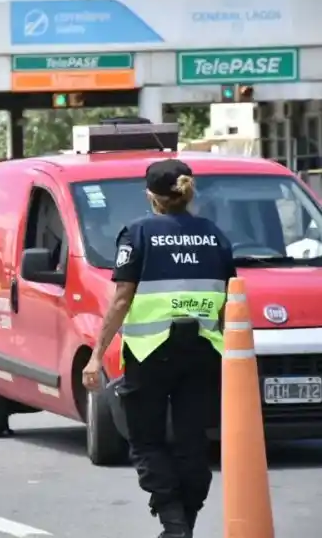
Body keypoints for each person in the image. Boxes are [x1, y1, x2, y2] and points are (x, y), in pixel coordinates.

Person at [81, 160, 236, 538]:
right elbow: (230, 299)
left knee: (146, 440)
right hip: (204, 351)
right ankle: (185, 525)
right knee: (192, 443)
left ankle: (174, 525)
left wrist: (96, 354)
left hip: (151, 351)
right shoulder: (215, 235)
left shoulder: (138, 233)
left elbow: (121, 300)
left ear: (151, 195)